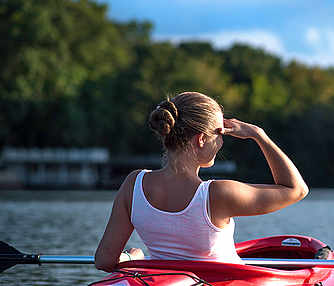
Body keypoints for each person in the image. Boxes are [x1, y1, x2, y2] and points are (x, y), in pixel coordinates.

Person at [95, 91, 309, 272]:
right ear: (202, 139)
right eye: (220, 132)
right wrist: (258, 135)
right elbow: (296, 189)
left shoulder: (134, 184)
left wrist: (134, 260)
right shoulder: (218, 194)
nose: (222, 141)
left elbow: (105, 261)